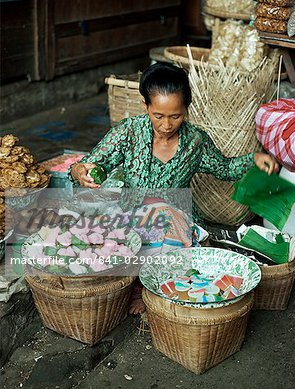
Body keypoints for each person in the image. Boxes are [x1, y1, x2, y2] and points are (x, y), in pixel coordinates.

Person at [69, 63, 279, 313]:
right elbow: (89, 164)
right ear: (146, 106)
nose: (167, 124)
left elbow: (224, 168)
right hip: (131, 210)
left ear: (186, 110)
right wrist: (79, 171)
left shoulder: (195, 140)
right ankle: (136, 284)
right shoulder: (129, 132)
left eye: (175, 116)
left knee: (167, 221)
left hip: (174, 218)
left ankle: (152, 287)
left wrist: (253, 159)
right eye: (158, 115)